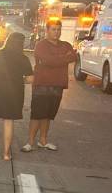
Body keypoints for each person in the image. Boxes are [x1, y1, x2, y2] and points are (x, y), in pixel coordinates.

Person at [22, 20, 76, 152]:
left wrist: (57, 59)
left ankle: (43, 140)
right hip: (42, 84)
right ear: (47, 31)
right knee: (37, 114)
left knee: (48, 115)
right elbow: (48, 61)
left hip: (58, 85)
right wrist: (63, 58)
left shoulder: (66, 45)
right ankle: (30, 142)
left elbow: (73, 56)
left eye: (58, 29)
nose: (56, 32)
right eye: (53, 29)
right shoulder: (41, 45)